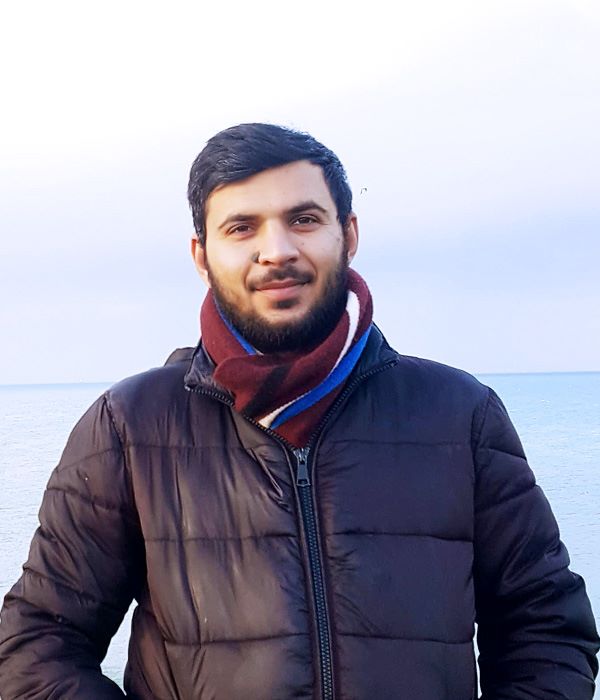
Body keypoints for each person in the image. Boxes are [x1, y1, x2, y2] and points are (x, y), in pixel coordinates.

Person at [0, 123, 598, 699]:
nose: (277, 251)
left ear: (349, 234)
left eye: (304, 219)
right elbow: (35, 645)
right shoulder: (131, 426)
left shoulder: (459, 415)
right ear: (201, 255)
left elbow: (547, 631)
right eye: (242, 227)